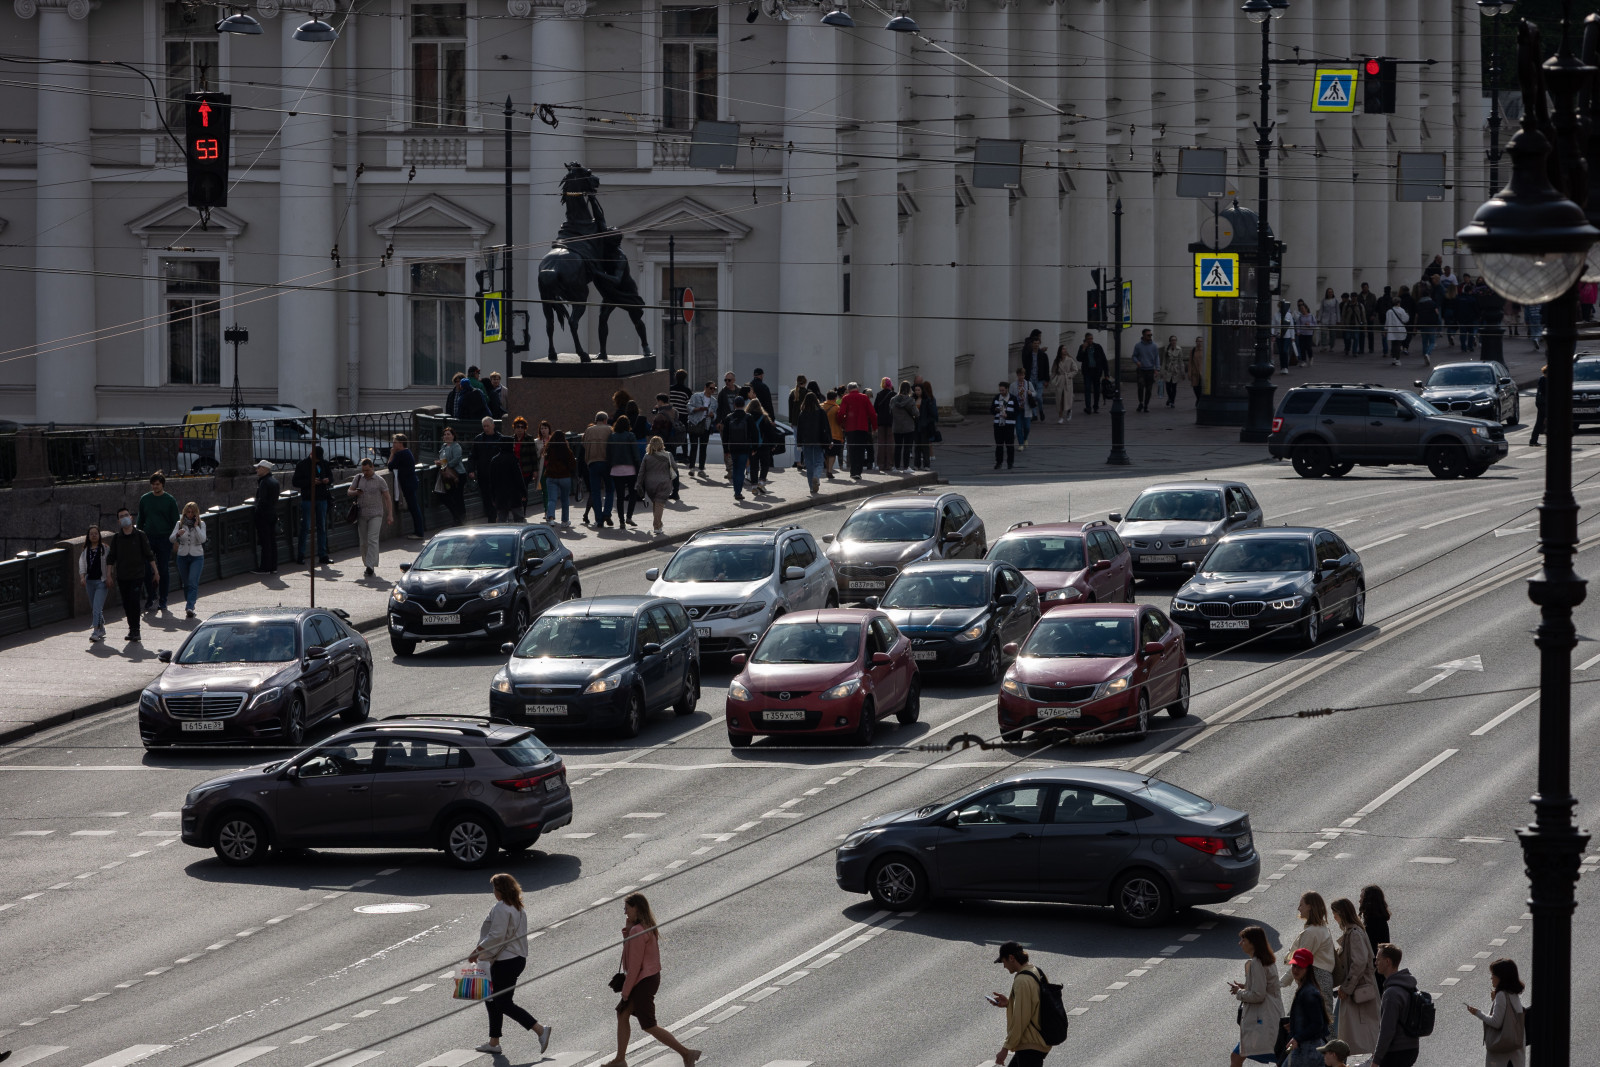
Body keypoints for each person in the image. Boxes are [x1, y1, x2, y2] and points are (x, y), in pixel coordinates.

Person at [604, 894, 700, 1067]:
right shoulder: (644, 927)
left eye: (627, 908)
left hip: (643, 981)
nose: (625, 912)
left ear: (637, 908)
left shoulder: (638, 931)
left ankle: (686, 1053)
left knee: (648, 1025)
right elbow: (632, 956)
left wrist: (626, 992)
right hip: (648, 978)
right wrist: (627, 931)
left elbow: (633, 966)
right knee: (622, 1014)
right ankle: (620, 1060)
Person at [468, 872, 552, 1056]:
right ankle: (494, 1042)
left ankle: (540, 1029)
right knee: (491, 999)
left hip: (505, 960)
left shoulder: (501, 908)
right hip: (515, 959)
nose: (493, 892)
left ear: (501, 890)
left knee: (503, 1002)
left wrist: (477, 952)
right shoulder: (518, 908)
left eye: (494, 888)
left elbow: (496, 935)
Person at [989, 941, 1051, 1067]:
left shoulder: (1022, 980)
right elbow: (1032, 1004)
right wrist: (1009, 1003)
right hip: (1036, 1041)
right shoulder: (1034, 970)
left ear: (1011, 958)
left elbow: (1020, 1019)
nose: (1004, 966)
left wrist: (1005, 1048)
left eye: (1004, 962)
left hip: (1030, 1044)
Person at [1330, 897, 1380, 1054]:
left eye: (1335, 913)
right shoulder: (1353, 932)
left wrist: (1347, 987)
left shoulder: (1354, 934)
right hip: (1358, 987)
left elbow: (1359, 962)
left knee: (1366, 1029)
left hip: (1359, 988)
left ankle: (1376, 1058)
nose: (1334, 917)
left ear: (1342, 913)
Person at [1230, 925, 1284, 1067]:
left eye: (1243, 940)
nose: (1240, 943)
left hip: (1261, 1021)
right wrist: (1245, 986)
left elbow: (1258, 995)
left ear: (1253, 942)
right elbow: (1264, 986)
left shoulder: (1256, 963)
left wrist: (1239, 993)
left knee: (1237, 1057)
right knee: (1280, 1057)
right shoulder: (1266, 959)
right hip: (1270, 1018)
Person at [105, 507, 156, 644]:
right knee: (127, 604)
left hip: (137, 575)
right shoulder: (117, 538)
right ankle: (131, 628)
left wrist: (156, 572)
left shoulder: (140, 535)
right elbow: (111, 558)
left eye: (126, 515)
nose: (124, 518)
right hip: (122, 576)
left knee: (134, 601)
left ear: (131, 517)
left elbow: (149, 554)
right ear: (118, 521)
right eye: (121, 516)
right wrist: (108, 575)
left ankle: (136, 630)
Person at [1285, 891, 1337, 1019]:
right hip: (1323, 978)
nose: (1298, 908)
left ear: (1310, 906)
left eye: (1301, 905)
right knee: (1323, 1019)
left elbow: (1299, 961)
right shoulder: (1322, 928)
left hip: (1315, 978)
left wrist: (1279, 983)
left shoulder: (1311, 932)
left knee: (1310, 1021)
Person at [1466, 957, 1526, 1067]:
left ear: (1501, 977)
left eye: (1493, 974)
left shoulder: (1502, 995)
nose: (1491, 978)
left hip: (1503, 1056)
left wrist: (1478, 1013)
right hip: (1515, 1055)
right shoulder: (1513, 994)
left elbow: (1496, 1022)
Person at [137, 471, 179, 613]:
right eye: (153, 484)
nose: (155, 487)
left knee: (163, 569)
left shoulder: (169, 500)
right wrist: (139, 537)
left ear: (162, 485)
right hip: (148, 537)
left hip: (165, 538)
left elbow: (175, 522)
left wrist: (175, 540)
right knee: (147, 569)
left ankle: (163, 600)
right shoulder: (145, 499)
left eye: (157, 484)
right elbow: (140, 520)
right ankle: (151, 596)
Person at [1373, 943, 1420, 1067]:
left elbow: (1387, 1030)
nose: (1375, 962)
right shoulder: (1409, 986)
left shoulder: (1391, 993)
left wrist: (1376, 1060)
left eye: (1378, 959)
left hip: (1396, 1051)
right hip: (1412, 1047)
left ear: (1388, 961)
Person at [1284, 947, 1331, 1067]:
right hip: (1306, 1048)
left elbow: (1317, 1024)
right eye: (1294, 966)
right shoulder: (1305, 988)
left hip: (1308, 1051)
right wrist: (1294, 1024)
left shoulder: (1309, 993)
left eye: (1300, 967)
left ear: (1308, 968)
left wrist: (1298, 1038)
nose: (1295, 970)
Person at [348, 458, 393, 578]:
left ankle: (370, 565)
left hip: (376, 513)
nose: (365, 473)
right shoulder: (358, 478)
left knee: (372, 539)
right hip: (362, 514)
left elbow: (387, 497)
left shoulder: (380, 480)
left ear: (372, 467)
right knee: (363, 542)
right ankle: (367, 563)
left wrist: (390, 514)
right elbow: (349, 491)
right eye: (363, 470)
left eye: (367, 470)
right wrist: (356, 493)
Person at [293, 446, 333, 564]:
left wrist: (327, 480)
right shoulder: (302, 464)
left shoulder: (324, 463)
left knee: (322, 527)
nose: (318, 461)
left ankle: (323, 555)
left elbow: (331, 477)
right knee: (305, 527)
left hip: (322, 498)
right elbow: (295, 482)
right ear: (311, 454)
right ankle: (301, 555)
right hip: (308, 499)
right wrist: (311, 481)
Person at [169, 501, 207, 618]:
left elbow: (202, 539)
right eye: (188, 512)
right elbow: (171, 539)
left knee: (192, 581)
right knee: (186, 583)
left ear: (196, 514)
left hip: (197, 556)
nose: (189, 515)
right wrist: (177, 535)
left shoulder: (201, 524)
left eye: (192, 513)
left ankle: (190, 606)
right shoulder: (179, 524)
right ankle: (189, 603)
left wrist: (195, 527)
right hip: (183, 556)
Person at [471, 416, 509, 522]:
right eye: (484, 426)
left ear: (493, 425)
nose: (486, 428)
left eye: (488, 426)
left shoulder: (500, 439)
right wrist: (471, 470)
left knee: (498, 498)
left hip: (497, 476)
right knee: (486, 498)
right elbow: (473, 456)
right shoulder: (478, 439)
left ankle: (500, 517)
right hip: (483, 475)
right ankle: (491, 519)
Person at [638, 437, 677, 536]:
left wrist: (638, 483)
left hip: (650, 484)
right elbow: (675, 467)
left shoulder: (647, 456)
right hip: (664, 483)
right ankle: (657, 526)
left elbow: (641, 471)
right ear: (661, 444)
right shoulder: (668, 455)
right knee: (659, 504)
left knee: (656, 504)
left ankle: (658, 524)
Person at [582, 412, 615, 526]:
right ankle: (607, 513)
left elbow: (584, 445)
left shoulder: (589, 430)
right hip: (606, 463)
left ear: (596, 420)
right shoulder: (610, 429)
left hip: (592, 463)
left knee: (595, 492)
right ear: (605, 420)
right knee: (610, 489)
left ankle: (599, 518)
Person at [388, 434, 424, 540]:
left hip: (408, 484)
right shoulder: (407, 452)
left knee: (414, 508)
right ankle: (418, 531)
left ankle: (419, 532)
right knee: (414, 507)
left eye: (395, 442)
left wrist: (392, 454)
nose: (393, 445)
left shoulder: (400, 454)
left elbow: (390, 466)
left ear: (400, 443)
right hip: (412, 482)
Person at [540, 422, 577, 526]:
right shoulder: (567, 450)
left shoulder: (549, 449)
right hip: (564, 477)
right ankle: (565, 521)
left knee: (552, 499)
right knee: (565, 500)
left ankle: (550, 518)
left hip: (551, 477)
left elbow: (545, 460)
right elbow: (572, 463)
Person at [839, 382, 877, 479]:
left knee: (852, 450)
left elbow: (841, 413)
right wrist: (874, 427)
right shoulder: (864, 397)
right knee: (860, 449)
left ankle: (853, 471)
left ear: (848, 389)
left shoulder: (845, 398)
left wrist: (842, 424)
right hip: (862, 428)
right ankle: (858, 472)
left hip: (850, 428)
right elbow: (872, 413)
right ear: (857, 389)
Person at [607, 415, 640, 528]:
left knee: (619, 497)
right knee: (633, 494)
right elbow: (635, 454)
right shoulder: (631, 435)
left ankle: (621, 520)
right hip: (630, 469)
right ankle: (629, 517)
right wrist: (638, 467)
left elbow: (609, 453)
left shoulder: (612, 436)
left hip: (616, 470)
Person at [79, 523, 109, 643]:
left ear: (99, 535)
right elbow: (81, 564)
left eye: (96, 533)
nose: (94, 536)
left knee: (97, 607)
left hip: (101, 581)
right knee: (95, 607)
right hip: (89, 581)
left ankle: (95, 631)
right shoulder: (85, 551)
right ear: (88, 536)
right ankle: (101, 628)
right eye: (91, 534)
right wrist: (82, 577)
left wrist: (109, 577)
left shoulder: (105, 549)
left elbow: (110, 564)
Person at [720, 397, 754, 502]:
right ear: (744, 405)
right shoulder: (748, 417)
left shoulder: (729, 417)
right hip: (744, 447)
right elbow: (754, 434)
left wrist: (726, 450)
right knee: (741, 469)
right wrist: (754, 448)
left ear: (734, 405)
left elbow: (724, 436)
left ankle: (737, 492)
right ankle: (739, 492)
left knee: (735, 469)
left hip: (733, 447)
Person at [796, 392, 831, 494]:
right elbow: (826, 427)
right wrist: (829, 440)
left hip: (806, 442)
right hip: (819, 441)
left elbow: (799, 430)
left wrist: (799, 443)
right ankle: (816, 476)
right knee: (819, 462)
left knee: (809, 464)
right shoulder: (821, 412)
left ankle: (811, 487)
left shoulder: (802, 413)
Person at [1359, 885, 1392, 988]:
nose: (1359, 901)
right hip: (1378, 969)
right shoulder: (1379, 920)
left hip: (1374, 971)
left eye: (1361, 898)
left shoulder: (1373, 923)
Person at [435, 425, 467, 526]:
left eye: (448, 434)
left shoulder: (456, 446)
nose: (446, 436)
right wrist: (440, 463)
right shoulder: (443, 447)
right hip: (446, 476)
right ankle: (456, 517)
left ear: (453, 436)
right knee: (445, 496)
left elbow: (456, 460)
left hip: (458, 475)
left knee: (458, 497)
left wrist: (444, 464)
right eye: (444, 435)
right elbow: (443, 459)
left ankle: (461, 518)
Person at [251, 460, 280, 574]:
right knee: (272, 542)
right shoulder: (274, 481)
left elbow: (262, 501)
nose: (257, 470)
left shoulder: (264, 483)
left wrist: (257, 513)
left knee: (265, 542)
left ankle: (265, 567)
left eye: (258, 468)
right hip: (272, 514)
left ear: (265, 469)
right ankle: (273, 566)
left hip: (264, 516)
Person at [489, 444, 526, 524]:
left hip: (500, 495)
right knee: (519, 518)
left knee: (501, 519)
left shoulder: (494, 460)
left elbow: (492, 481)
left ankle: (502, 535)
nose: (513, 447)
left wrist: (493, 497)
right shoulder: (513, 459)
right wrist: (523, 493)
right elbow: (519, 478)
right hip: (514, 495)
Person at [747, 400, 779, 491]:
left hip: (752, 446)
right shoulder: (764, 417)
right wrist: (773, 444)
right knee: (765, 464)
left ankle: (753, 486)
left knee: (753, 466)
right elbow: (770, 432)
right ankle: (761, 482)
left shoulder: (747, 417)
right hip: (764, 445)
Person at [1021, 329, 1050, 421]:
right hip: (1030, 379)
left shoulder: (1043, 355)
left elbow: (1046, 368)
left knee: (1038, 397)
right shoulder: (1028, 355)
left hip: (1040, 379)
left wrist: (1047, 380)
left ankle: (1041, 410)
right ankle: (1034, 414)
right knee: (1031, 397)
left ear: (1039, 344)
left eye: (1038, 343)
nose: (1036, 345)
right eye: (1034, 343)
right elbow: (1025, 366)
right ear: (1032, 344)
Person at [686, 382, 715, 472]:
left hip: (706, 425)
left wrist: (712, 415)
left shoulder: (714, 400)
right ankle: (692, 467)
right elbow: (688, 406)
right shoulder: (696, 396)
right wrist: (697, 409)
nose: (712, 390)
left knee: (703, 447)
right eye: (711, 388)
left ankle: (701, 468)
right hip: (695, 423)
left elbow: (715, 413)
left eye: (714, 388)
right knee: (694, 446)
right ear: (705, 387)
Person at [891, 380, 919, 472]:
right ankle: (906, 467)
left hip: (896, 426)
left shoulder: (893, 400)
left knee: (897, 447)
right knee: (907, 447)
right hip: (908, 427)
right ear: (909, 389)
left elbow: (890, 412)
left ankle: (896, 466)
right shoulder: (910, 400)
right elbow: (916, 413)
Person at [1078, 332, 1109, 414]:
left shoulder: (1098, 347)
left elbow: (1104, 360)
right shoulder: (1082, 347)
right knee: (1087, 389)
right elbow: (1079, 358)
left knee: (1097, 390)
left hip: (1096, 371)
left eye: (1091, 338)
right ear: (1085, 339)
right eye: (1089, 339)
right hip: (1087, 372)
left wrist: (1106, 374)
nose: (1090, 340)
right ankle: (1088, 407)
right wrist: (1083, 349)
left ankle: (1096, 407)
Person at [1131, 328, 1160, 411]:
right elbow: (1134, 356)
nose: (1150, 336)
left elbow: (1157, 357)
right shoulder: (1138, 346)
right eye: (1148, 335)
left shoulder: (1154, 346)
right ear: (1143, 335)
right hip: (1141, 370)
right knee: (1140, 387)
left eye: (1151, 335)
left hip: (1150, 370)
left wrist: (1157, 369)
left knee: (1149, 389)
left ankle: (1146, 405)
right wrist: (1137, 362)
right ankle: (1141, 402)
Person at [992, 380, 1018, 471]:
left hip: (1009, 424)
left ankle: (1010, 463)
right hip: (998, 424)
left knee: (1009, 445)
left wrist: (1008, 415)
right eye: (1000, 390)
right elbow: (991, 410)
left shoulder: (1013, 399)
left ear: (1007, 389)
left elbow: (1017, 412)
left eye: (1003, 390)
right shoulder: (996, 398)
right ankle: (998, 462)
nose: (1001, 392)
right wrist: (996, 410)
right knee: (999, 445)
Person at [873, 376, 897, 472]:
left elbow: (875, 408)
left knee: (881, 443)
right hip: (891, 421)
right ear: (890, 384)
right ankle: (889, 464)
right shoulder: (894, 394)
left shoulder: (879, 394)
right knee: (890, 443)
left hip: (881, 421)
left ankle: (881, 464)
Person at [1050, 345, 1078, 423]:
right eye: (1063, 349)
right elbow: (1053, 371)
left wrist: (1069, 375)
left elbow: (1075, 370)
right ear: (1060, 350)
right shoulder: (1057, 361)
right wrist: (1052, 380)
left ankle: (1069, 410)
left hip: (1067, 381)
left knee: (1068, 398)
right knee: (1060, 399)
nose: (1065, 350)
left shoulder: (1070, 360)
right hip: (1059, 381)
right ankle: (1060, 416)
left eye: (1065, 349)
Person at [913, 382, 939, 470]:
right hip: (916, 426)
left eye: (918, 390)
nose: (917, 392)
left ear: (922, 391)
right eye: (916, 390)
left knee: (925, 446)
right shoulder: (913, 400)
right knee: (917, 446)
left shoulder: (926, 400)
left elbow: (932, 413)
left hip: (924, 426)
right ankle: (916, 464)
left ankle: (926, 465)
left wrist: (927, 422)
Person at [1414, 288, 1441, 366]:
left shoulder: (1419, 304)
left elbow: (1416, 316)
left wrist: (1415, 326)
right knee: (1432, 341)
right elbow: (1437, 313)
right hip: (1431, 324)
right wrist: (1438, 324)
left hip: (1422, 324)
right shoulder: (1432, 303)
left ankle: (1424, 354)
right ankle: (1427, 353)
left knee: (1424, 341)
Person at [1011, 367, 1035, 450]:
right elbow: (1010, 396)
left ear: (1024, 375)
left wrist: (1030, 393)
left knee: (1027, 427)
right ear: (1017, 375)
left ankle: (1025, 439)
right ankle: (1020, 444)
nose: (1021, 377)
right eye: (1020, 375)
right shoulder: (1013, 385)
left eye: (1023, 375)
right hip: (1017, 409)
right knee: (1018, 427)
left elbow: (1035, 393)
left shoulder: (1028, 383)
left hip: (1026, 408)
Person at [1160, 334, 1186, 407]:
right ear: (1170, 341)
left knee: (1174, 386)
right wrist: (1162, 371)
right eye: (1172, 340)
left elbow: (1181, 361)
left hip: (1175, 370)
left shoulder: (1179, 349)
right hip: (1168, 370)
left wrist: (1183, 372)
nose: (1174, 341)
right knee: (1168, 386)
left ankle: (1172, 402)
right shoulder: (1166, 349)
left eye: (1175, 340)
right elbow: (1164, 361)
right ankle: (1169, 398)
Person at [1385, 299, 1411, 365]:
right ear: (1399, 303)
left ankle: (1394, 358)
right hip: (1399, 329)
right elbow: (1405, 320)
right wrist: (1407, 315)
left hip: (1391, 330)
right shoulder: (1401, 310)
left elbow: (1387, 321)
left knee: (1393, 344)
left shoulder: (1389, 311)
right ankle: (1397, 359)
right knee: (1398, 345)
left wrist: (1385, 329)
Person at [1529, 366, 1548, 446]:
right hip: (1544, 404)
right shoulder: (1545, 380)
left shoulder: (1541, 379)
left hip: (1540, 403)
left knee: (1539, 422)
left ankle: (1533, 440)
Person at [1296, 299, 1317, 366]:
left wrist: (1309, 325)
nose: (1302, 310)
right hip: (1302, 334)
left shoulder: (1311, 316)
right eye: (1300, 309)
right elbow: (1298, 325)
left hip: (1309, 334)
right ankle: (1303, 361)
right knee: (1302, 347)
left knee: (1308, 346)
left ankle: (1311, 357)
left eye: (1303, 308)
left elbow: (1315, 325)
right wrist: (1298, 332)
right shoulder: (1300, 317)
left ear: (1306, 308)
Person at [1187, 336, 1206, 401]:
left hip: (1203, 373)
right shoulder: (1193, 351)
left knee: (1201, 388)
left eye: (1201, 341)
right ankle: (1198, 399)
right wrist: (1189, 373)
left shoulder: (1205, 350)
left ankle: (1199, 401)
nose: (1199, 343)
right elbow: (1190, 362)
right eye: (1198, 341)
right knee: (1195, 387)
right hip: (1195, 372)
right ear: (1196, 342)